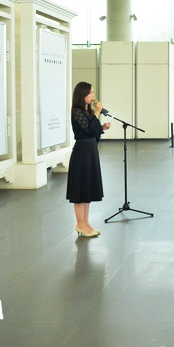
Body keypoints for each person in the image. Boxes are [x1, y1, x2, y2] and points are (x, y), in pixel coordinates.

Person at [67, 82, 111, 237]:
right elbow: (87, 129)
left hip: (91, 151)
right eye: (90, 93)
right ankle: (80, 224)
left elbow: (93, 131)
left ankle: (86, 223)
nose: (93, 96)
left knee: (87, 189)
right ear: (82, 94)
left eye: (93, 92)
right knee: (80, 190)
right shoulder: (77, 112)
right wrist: (97, 114)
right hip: (82, 152)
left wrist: (102, 127)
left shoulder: (87, 111)